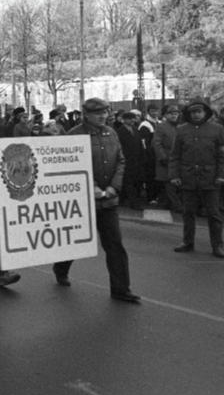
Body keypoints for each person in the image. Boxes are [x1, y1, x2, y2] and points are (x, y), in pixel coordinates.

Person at [52, 98, 141, 303]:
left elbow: (120, 160)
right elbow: (70, 165)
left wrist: (112, 188)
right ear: (86, 115)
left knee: (115, 245)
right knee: (75, 242)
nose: (103, 116)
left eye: (105, 112)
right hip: (82, 201)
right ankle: (61, 267)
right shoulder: (74, 135)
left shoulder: (111, 133)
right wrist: (91, 187)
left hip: (108, 201)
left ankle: (121, 289)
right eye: (97, 113)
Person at [169, 98, 224, 258]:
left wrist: (222, 176)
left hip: (211, 179)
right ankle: (187, 242)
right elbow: (175, 155)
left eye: (199, 112)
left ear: (205, 112)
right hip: (188, 178)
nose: (196, 115)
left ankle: (217, 246)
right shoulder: (182, 130)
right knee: (188, 213)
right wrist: (174, 175)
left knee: (214, 214)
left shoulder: (217, 129)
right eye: (192, 112)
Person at [152, 104, 183, 213]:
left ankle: (165, 202)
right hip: (166, 158)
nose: (174, 115)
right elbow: (156, 143)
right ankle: (176, 205)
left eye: (176, 113)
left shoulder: (180, 126)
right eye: (171, 114)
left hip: (178, 159)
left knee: (174, 183)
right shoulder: (161, 126)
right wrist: (162, 157)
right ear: (165, 115)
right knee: (169, 183)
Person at [117, 111, 145, 210]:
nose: (132, 120)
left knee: (136, 181)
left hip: (137, 160)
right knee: (129, 182)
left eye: (133, 118)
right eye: (130, 118)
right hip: (126, 160)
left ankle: (123, 199)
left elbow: (140, 144)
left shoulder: (135, 130)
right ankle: (134, 203)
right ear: (124, 120)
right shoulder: (120, 131)